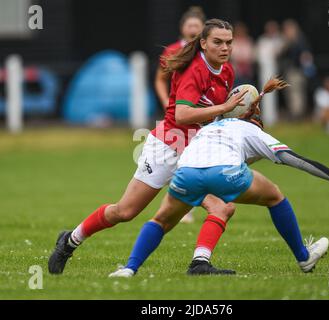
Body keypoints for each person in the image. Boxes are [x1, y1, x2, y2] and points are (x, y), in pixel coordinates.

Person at [108, 78, 329, 277]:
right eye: (256, 108)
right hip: (226, 173)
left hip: (186, 171)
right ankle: (304, 258)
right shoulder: (253, 131)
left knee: (161, 220)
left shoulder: (211, 125)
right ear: (250, 114)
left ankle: (129, 269)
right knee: (274, 195)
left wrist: (259, 93)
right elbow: (296, 160)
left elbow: (227, 121)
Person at [48, 19, 248, 275]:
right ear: (203, 43)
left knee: (222, 206)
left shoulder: (227, 72)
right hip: (167, 146)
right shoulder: (194, 70)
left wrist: (240, 115)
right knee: (125, 211)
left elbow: (212, 116)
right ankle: (70, 240)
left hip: (194, 151)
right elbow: (182, 115)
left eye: (229, 42)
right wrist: (224, 109)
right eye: (217, 42)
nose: (224, 48)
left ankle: (200, 264)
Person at [154, 6, 206, 224]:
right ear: (182, 28)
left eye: (197, 25)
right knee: (181, 158)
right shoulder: (173, 50)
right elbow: (160, 79)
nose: (193, 29)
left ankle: (187, 205)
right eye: (189, 25)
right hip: (179, 117)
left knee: (196, 160)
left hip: (203, 118)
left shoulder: (211, 53)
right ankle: (182, 207)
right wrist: (168, 103)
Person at [230, 22, 255, 86]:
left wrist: (245, 60)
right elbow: (232, 55)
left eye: (242, 31)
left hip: (247, 71)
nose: (240, 32)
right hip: (236, 71)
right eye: (238, 31)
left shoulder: (249, 40)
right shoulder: (232, 41)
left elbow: (252, 54)